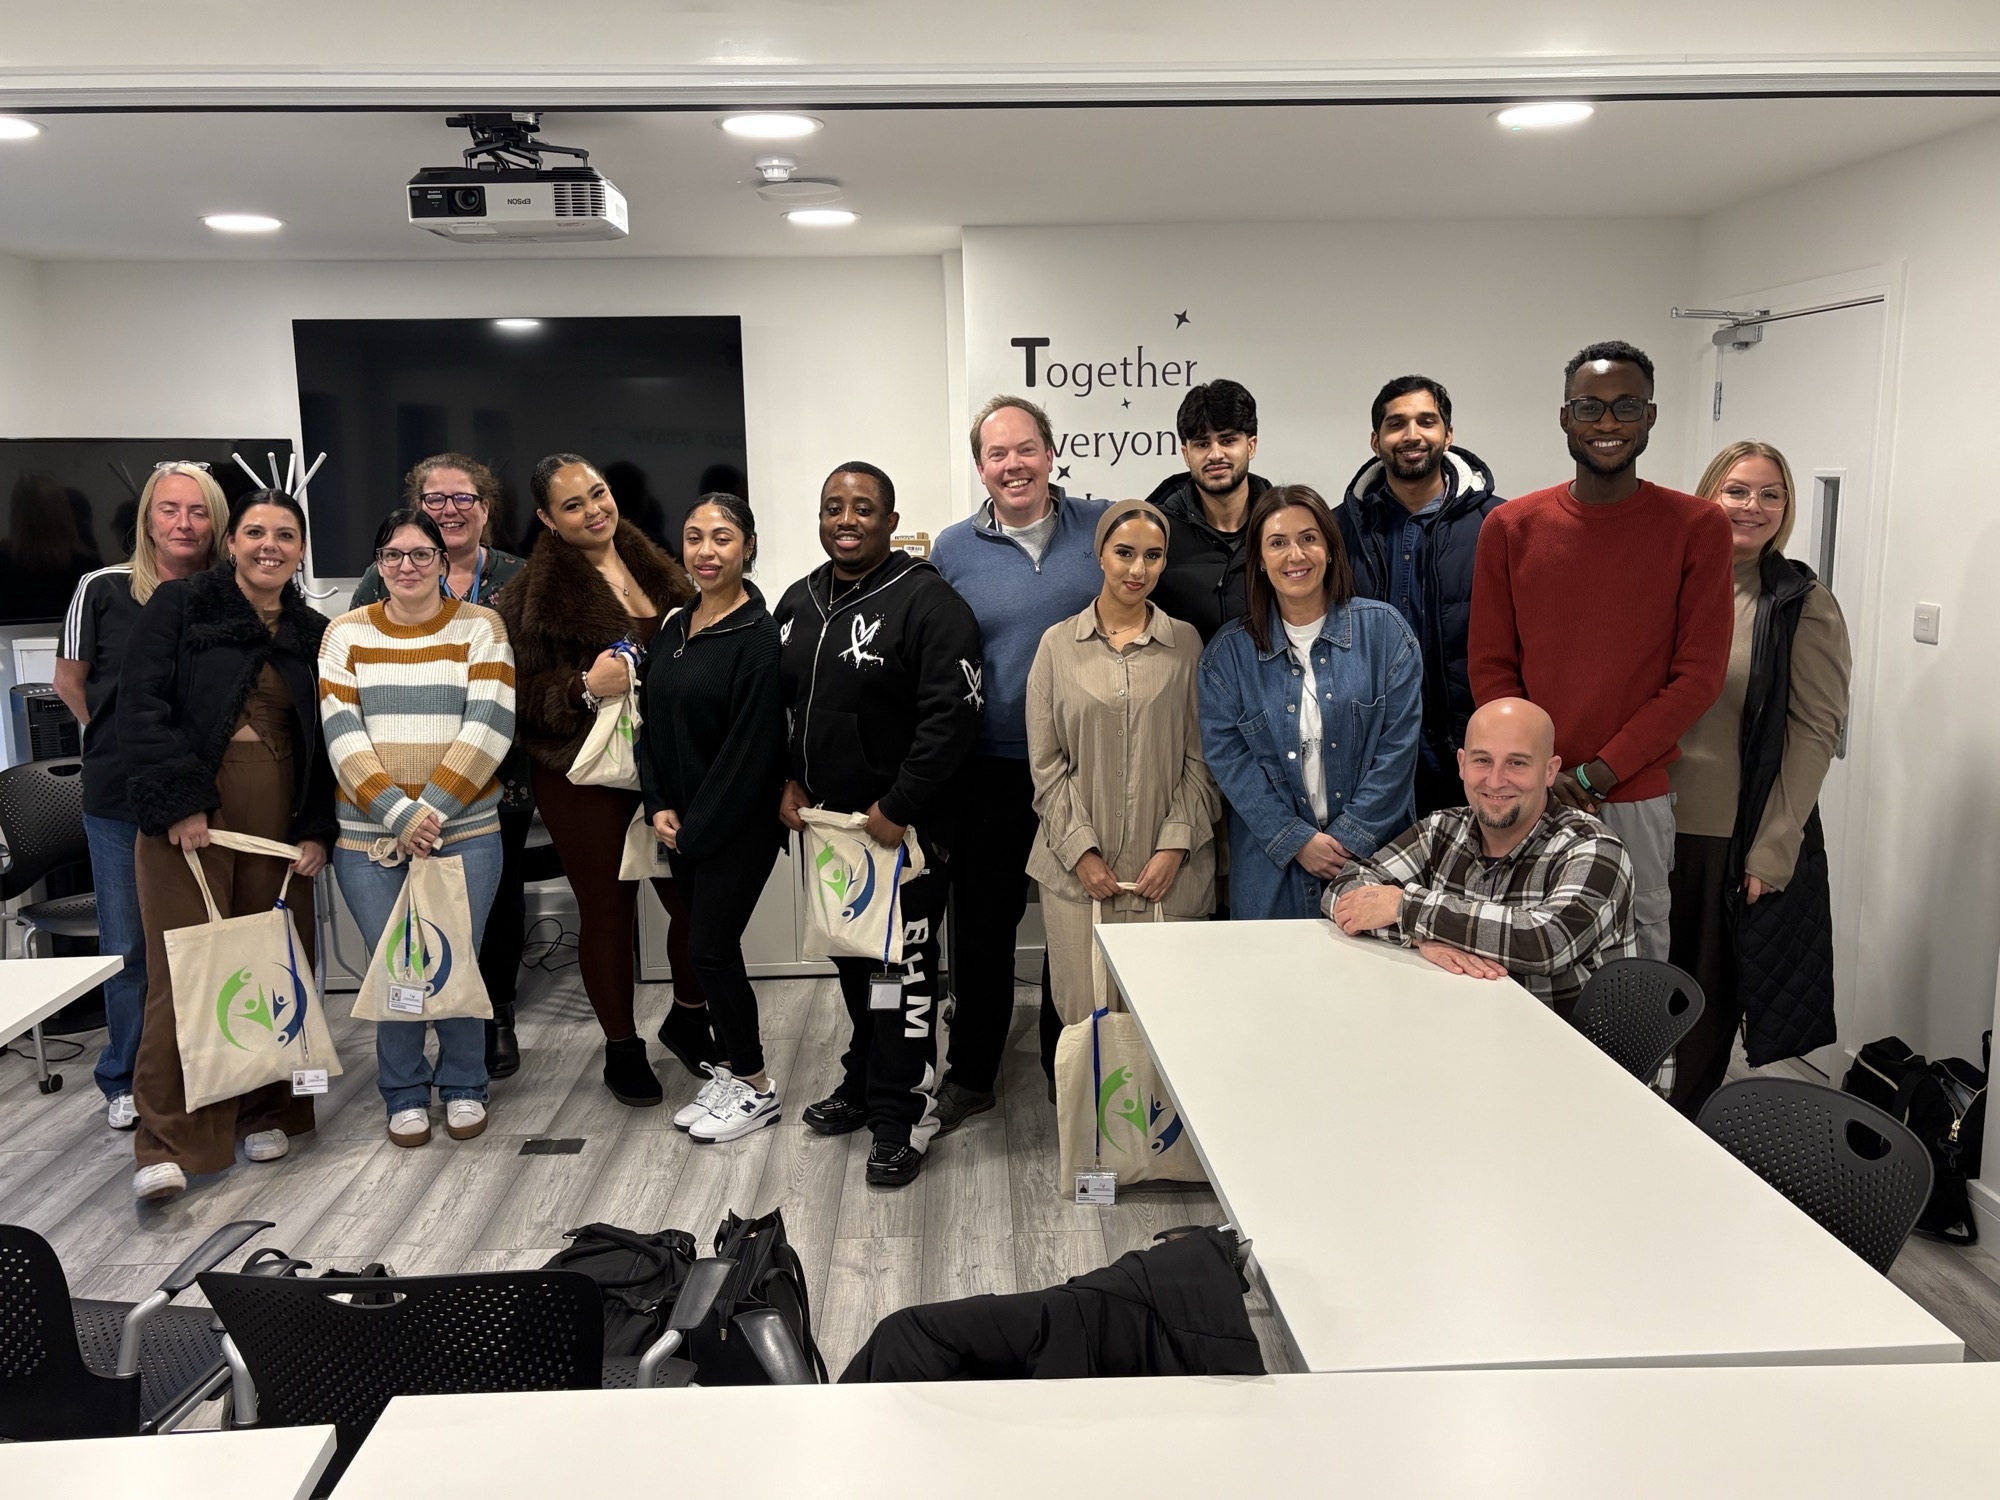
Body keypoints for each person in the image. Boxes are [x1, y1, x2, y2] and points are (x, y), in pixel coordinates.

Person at [1468, 340, 1733, 962]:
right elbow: (1491, 666)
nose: (1608, 423)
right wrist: (1534, 770)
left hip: (1633, 793)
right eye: (1589, 407)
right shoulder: (1511, 528)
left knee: (1633, 956)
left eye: (1626, 407)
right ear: (1565, 417)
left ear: (1651, 417)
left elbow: (1698, 677)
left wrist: (1598, 772)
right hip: (1526, 791)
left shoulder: (1698, 528)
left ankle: (1633, 1068)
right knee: (1513, 948)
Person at [118, 489, 336, 1201]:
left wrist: (314, 829)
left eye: (285, 534)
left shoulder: (312, 631)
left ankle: (266, 1109)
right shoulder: (179, 608)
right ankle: (168, 1141)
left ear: (301, 550)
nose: (269, 544)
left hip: (279, 834)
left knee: (270, 971)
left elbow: (327, 741)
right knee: (185, 979)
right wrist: (180, 803)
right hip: (192, 829)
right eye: (254, 532)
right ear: (233, 543)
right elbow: (142, 708)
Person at [776, 461, 983, 1187]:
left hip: (902, 835)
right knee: (856, 970)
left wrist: (900, 805)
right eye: (834, 506)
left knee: (905, 981)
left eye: (864, 507)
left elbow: (951, 716)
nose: (847, 519)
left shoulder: (927, 602)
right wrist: (789, 778)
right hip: (831, 834)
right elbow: (782, 708)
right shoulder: (798, 601)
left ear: (892, 521)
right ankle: (866, 1083)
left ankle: (905, 1116)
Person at [494, 452, 704, 1108]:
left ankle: (690, 1017)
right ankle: (621, 1049)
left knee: (695, 905)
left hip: (667, 765)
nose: (593, 510)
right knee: (608, 913)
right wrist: (582, 687)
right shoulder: (526, 595)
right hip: (581, 774)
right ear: (547, 519)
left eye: (598, 494)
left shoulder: (662, 567)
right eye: (573, 504)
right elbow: (516, 699)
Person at [928, 396, 1108, 1134]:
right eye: (998, 454)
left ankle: (1061, 1066)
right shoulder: (951, 549)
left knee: (1074, 925)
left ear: (1051, 453)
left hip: (1083, 768)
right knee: (981, 925)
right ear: (980, 466)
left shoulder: (1102, 527)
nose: (1013, 465)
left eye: (1026, 449)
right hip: (991, 765)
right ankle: (972, 1071)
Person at [1665, 442, 1851, 1116]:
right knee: (1631, 988)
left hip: (1722, 832)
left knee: (1700, 1005)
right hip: (1642, 819)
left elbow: (1814, 735)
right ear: (1708, 493)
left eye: (1770, 494)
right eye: (1738, 490)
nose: (1753, 506)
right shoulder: (1669, 580)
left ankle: (1679, 1134)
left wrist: (1774, 847)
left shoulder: (1800, 602)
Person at [320, 509, 515, 1147]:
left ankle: (464, 1085)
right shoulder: (343, 635)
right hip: (367, 836)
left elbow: (489, 727)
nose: (408, 566)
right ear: (379, 565)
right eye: (394, 555)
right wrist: (402, 817)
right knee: (396, 966)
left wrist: (428, 813)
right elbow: (341, 735)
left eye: (421, 554)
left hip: (464, 832)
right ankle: (403, 1091)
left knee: (455, 960)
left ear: (442, 560)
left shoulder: (481, 627)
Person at [56, 461, 225, 1133]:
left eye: (198, 511)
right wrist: (128, 742)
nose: (183, 523)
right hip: (119, 799)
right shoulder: (100, 589)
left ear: (216, 522)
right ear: (147, 519)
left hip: (209, 797)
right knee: (131, 948)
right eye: (169, 509)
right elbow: (71, 683)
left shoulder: (227, 593)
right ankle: (124, 1076)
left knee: (208, 940)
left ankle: (213, 1069)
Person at [1026, 499, 1219, 1083]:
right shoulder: (1056, 646)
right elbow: (1046, 763)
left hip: (1172, 878)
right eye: (1125, 553)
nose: (1138, 569)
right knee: (1085, 1024)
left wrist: (1175, 847)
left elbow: (1203, 760)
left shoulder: (1186, 645)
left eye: (1153, 557)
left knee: (1166, 1023)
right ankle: (1094, 1154)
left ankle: (1160, 1153)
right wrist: (1081, 851)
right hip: (1079, 878)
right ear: (1100, 554)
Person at [352, 454, 532, 1078]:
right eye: (435, 499)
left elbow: (526, 678)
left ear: (486, 509)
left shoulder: (519, 576)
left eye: (463, 498)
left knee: (493, 909)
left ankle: (494, 1017)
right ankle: (410, 1064)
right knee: (404, 935)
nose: (449, 509)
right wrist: (405, 810)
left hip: (497, 778)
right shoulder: (376, 588)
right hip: (390, 805)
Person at [1326, 697, 1638, 1010]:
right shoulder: (1440, 829)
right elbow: (1343, 891)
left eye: (1517, 762)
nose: (1496, 780)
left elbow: (1545, 941)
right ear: (1461, 764)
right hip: (1462, 1029)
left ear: (1550, 771)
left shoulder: (1593, 847)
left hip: (1569, 1050)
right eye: (1482, 761)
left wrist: (1406, 908)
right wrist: (1420, 938)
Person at [1198, 484, 1421, 921]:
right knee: (1276, 987)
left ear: (1331, 549)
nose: (1295, 555)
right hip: (1271, 869)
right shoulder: (1227, 657)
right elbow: (1229, 762)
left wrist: (1348, 840)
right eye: (1277, 543)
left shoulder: (1386, 634)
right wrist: (1295, 840)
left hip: (1377, 861)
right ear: (1259, 560)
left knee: (1375, 989)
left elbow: (1398, 754)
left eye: (1308, 538)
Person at [639, 493, 788, 1144]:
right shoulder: (676, 624)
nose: (706, 550)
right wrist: (659, 804)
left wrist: (694, 827)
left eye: (722, 537)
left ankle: (755, 1086)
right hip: (682, 824)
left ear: (748, 546)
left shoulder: (759, 637)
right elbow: (648, 724)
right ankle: (731, 1070)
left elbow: (750, 752)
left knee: (710, 951)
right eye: (694, 537)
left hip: (738, 826)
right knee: (710, 950)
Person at [1336, 375, 1505, 815]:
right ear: (1376, 440)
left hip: (1470, 750)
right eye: (1396, 424)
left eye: (1426, 421)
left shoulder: (1500, 524)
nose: (1412, 435)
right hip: (1368, 754)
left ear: (1448, 435)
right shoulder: (1336, 531)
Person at [1144, 379, 1271, 643]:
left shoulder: (1283, 525)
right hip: (1184, 683)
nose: (1215, 454)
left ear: (1251, 446)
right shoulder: (1157, 532)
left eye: (1227, 440)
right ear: (1185, 453)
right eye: (1202, 444)